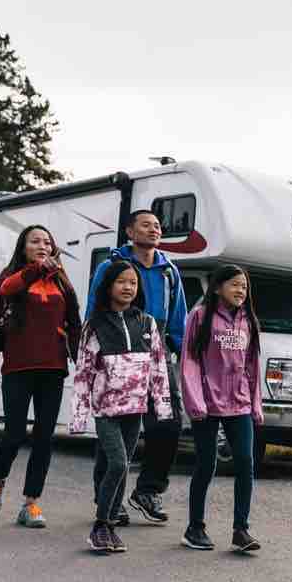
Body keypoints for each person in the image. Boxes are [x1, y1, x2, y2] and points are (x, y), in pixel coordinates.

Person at [86, 210, 187, 525]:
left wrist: (182, 352)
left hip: (156, 351)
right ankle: (109, 498)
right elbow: (94, 308)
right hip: (116, 348)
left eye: (157, 225)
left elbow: (178, 317)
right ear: (130, 231)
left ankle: (148, 490)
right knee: (116, 427)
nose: (154, 229)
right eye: (146, 224)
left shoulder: (169, 271)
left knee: (169, 422)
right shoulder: (111, 266)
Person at [0, 225, 82, 528]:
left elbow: (74, 322)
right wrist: (39, 268)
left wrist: (80, 357)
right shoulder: (13, 276)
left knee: (44, 437)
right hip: (18, 367)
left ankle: (31, 503)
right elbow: (6, 290)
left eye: (47, 242)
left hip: (53, 367)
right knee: (14, 434)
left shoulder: (61, 281)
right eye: (35, 241)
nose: (42, 246)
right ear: (23, 247)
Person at [71, 260, 172, 553]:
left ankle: (110, 525)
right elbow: (84, 372)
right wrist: (78, 417)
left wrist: (162, 406)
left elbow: (158, 367)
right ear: (108, 286)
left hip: (135, 409)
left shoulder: (147, 323)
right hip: (106, 410)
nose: (128, 287)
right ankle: (100, 525)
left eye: (133, 283)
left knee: (122, 467)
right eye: (121, 282)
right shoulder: (95, 325)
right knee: (117, 464)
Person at [180, 264, 263, 553]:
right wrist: (195, 400)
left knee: (245, 462)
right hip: (206, 402)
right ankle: (195, 528)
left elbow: (252, 366)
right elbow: (189, 360)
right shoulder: (200, 316)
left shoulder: (248, 321)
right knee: (206, 464)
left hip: (239, 403)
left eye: (244, 286)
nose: (241, 290)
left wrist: (255, 403)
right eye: (235, 285)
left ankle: (241, 530)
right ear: (218, 288)